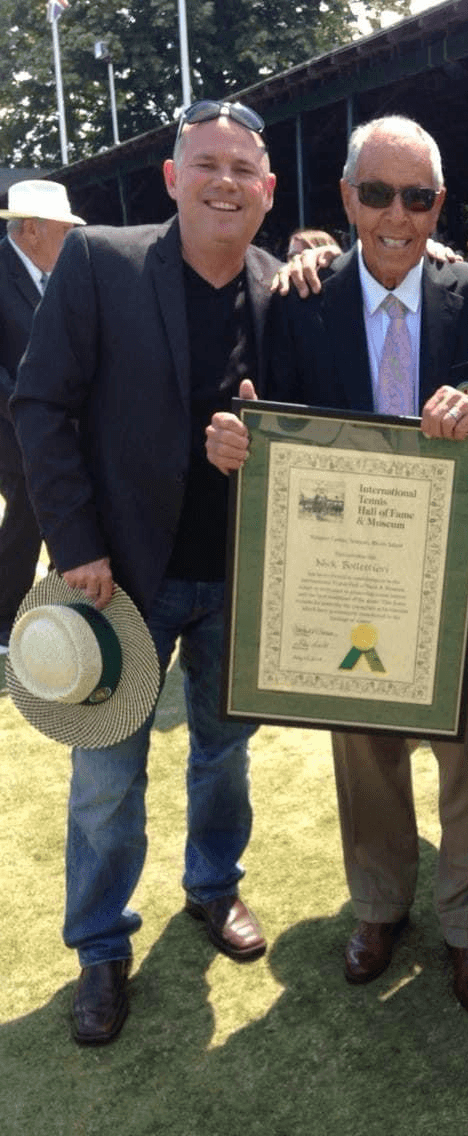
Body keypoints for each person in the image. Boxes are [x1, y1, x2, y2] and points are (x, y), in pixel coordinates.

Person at [206, 114, 468, 1016]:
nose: (399, 215)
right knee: (364, 752)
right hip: (344, 576)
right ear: (348, 197)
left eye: (420, 196)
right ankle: (381, 908)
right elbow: (268, 418)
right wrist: (241, 437)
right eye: (380, 193)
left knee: (467, 755)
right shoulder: (299, 300)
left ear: (440, 201)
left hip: (456, 572)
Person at [11, 100, 281, 1045]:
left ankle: (213, 887)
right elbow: (40, 407)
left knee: (224, 755)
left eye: (243, 168)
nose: (224, 182)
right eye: (205, 163)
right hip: (118, 576)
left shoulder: (283, 284)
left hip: (238, 577)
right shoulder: (101, 262)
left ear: (268, 190)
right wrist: (75, 539)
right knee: (107, 776)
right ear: (173, 177)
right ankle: (98, 944)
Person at [0, 180, 84, 653]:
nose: (70, 239)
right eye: (63, 230)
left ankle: (55, 605)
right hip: (10, 426)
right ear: (31, 229)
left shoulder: (57, 273)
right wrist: (28, 410)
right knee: (31, 511)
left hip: (55, 423)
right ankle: (3, 619)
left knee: (63, 503)